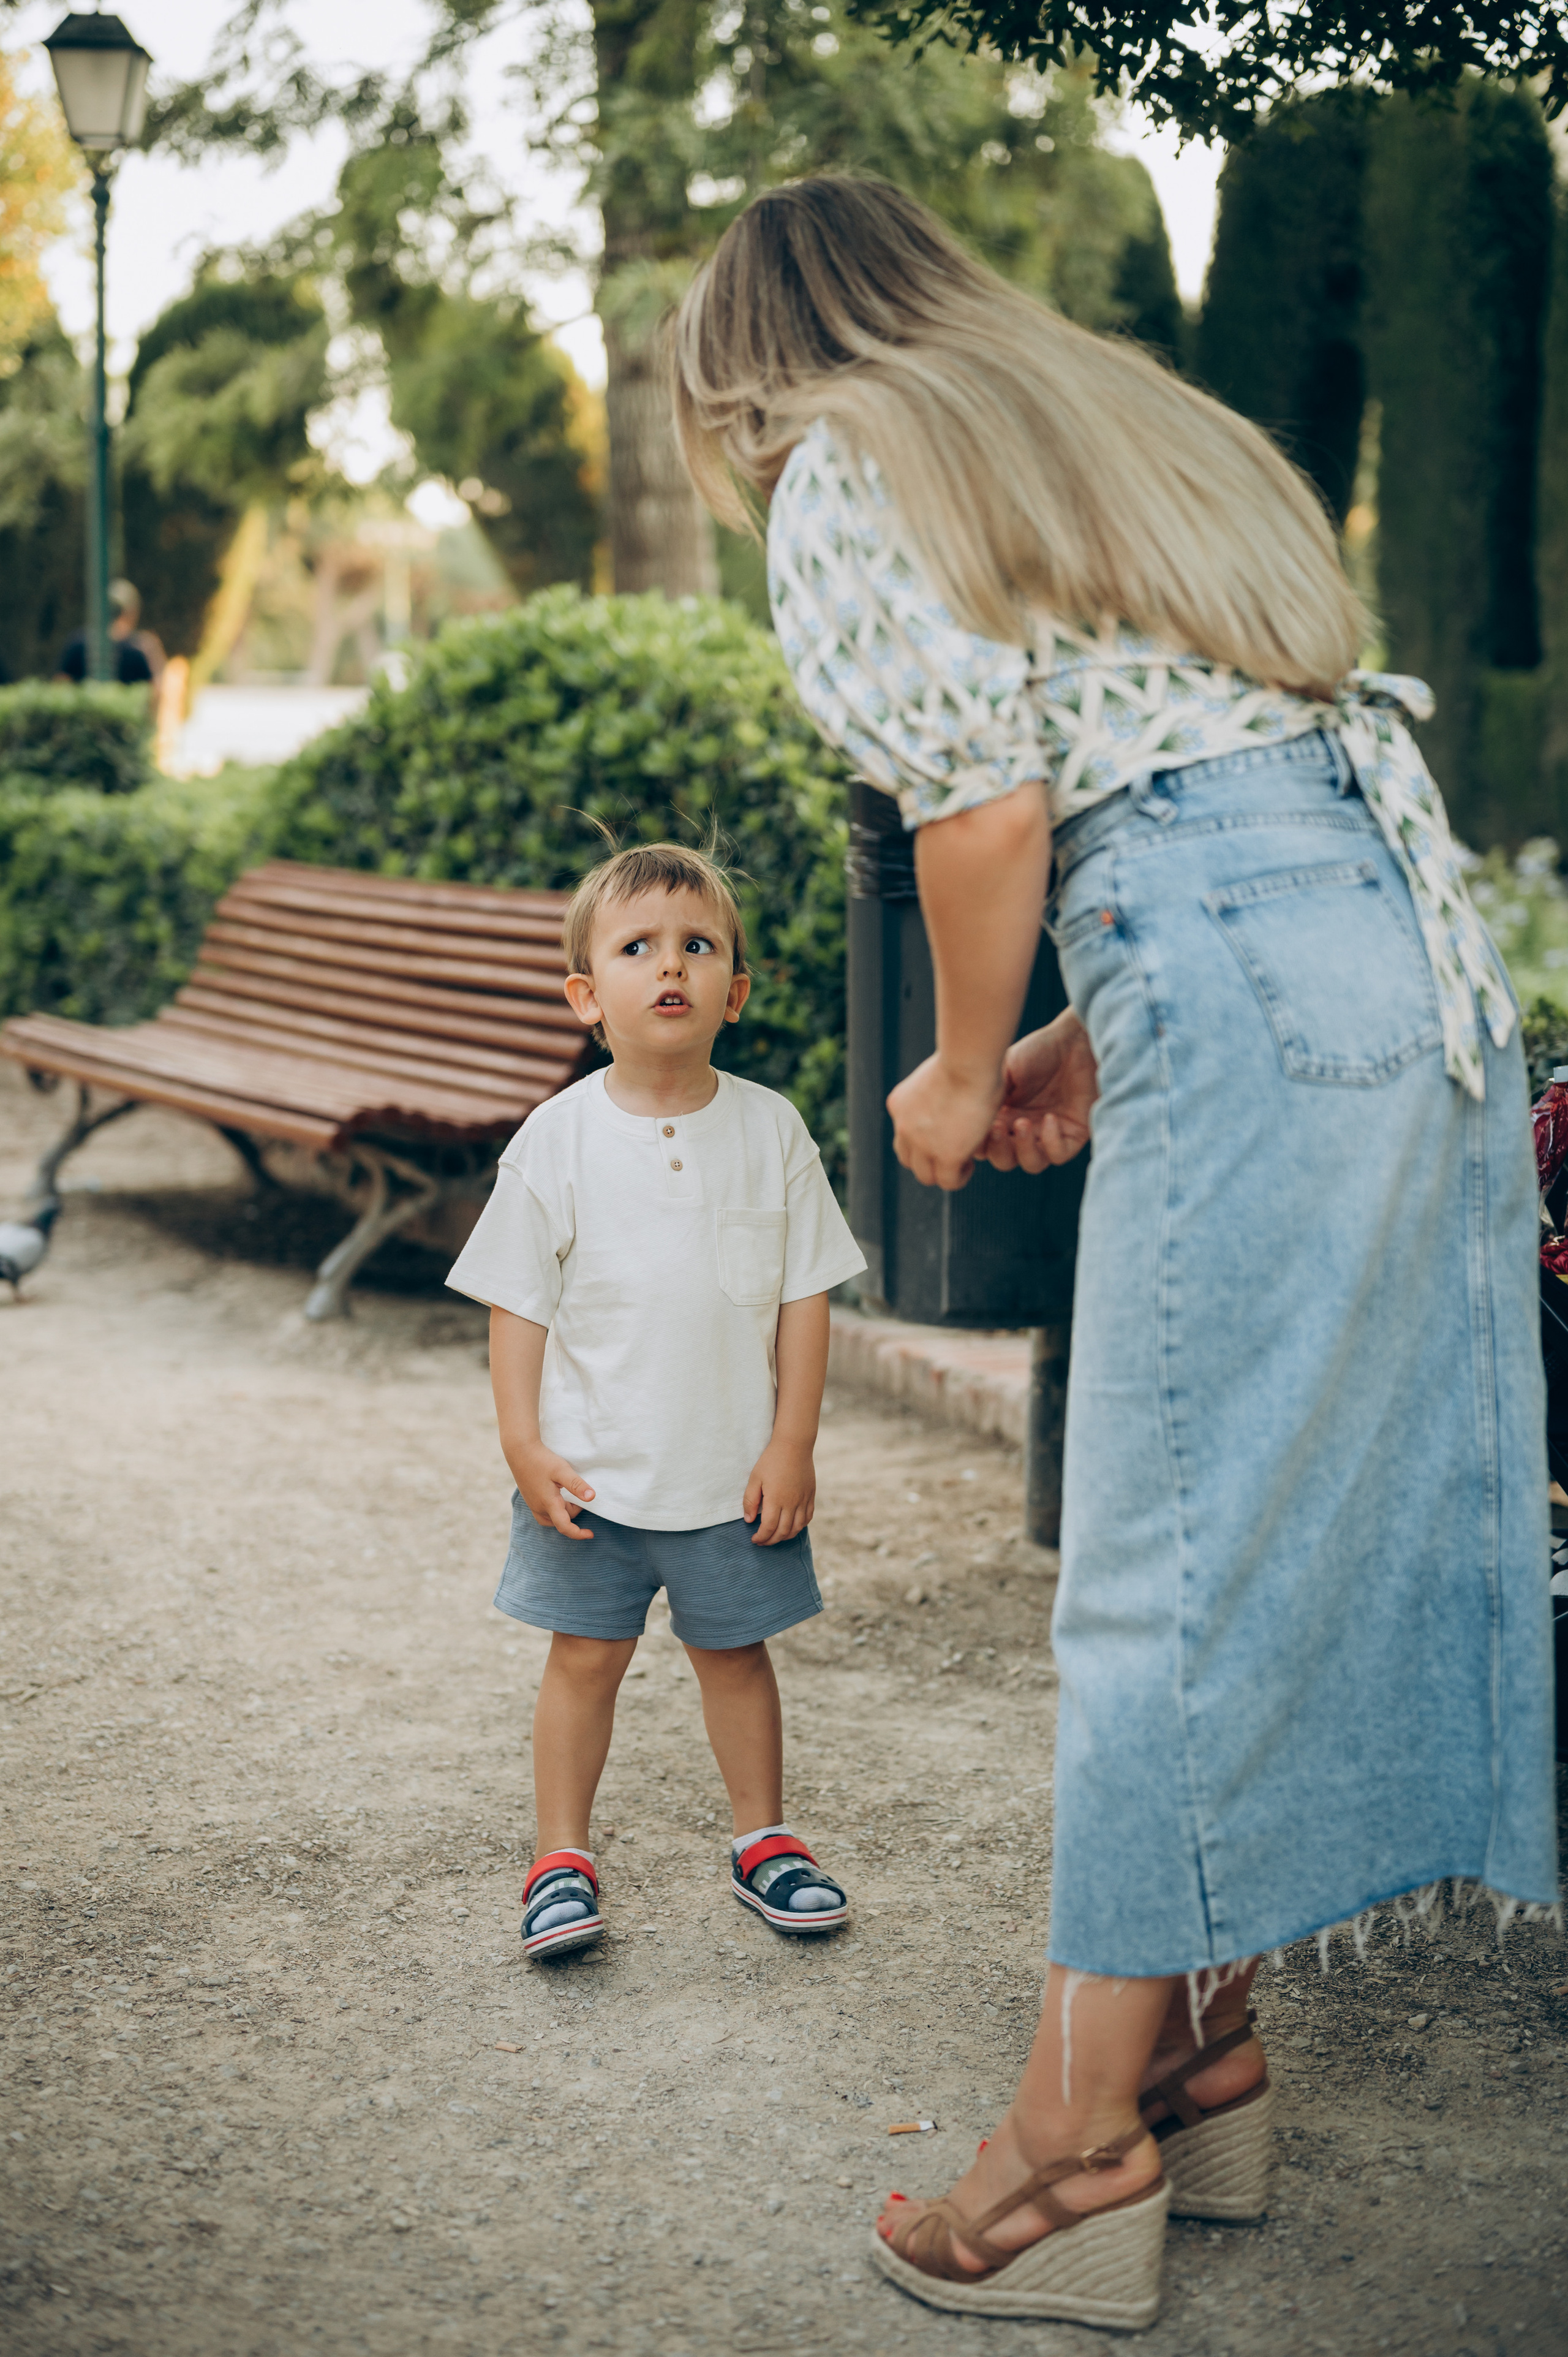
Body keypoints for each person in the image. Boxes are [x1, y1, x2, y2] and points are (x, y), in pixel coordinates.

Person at [672, 176, 1559, 2327]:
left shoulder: (859, 456)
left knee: (1159, 1553)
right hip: (1414, 978)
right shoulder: (1128, 426)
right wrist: (1091, 1013)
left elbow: (986, 805)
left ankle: (1075, 2148)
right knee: (1291, 1525)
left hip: (1249, 975)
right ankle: (1199, 2044)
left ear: (747, 368)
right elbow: (1220, 766)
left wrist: (969, 1064)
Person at [445, 842, 866, 1962]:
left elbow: (806, 1297)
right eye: (637, 948)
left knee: (737, 1656)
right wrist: (522, 1442)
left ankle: (763, 1838)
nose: (669, 965)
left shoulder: (772, 1129)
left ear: (736, 987)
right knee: (583, 1657)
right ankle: (559, 1859)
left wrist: (793, 1442)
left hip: (733, 1475)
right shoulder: (560, 1140)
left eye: (697, 945)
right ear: (589, 995)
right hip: (594, 1476)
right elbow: (517, 1303)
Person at [56, 580, 164, 686]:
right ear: (132, 613)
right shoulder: (138, 650)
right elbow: (156, 691)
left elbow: (61, 687)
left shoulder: (78, 643)